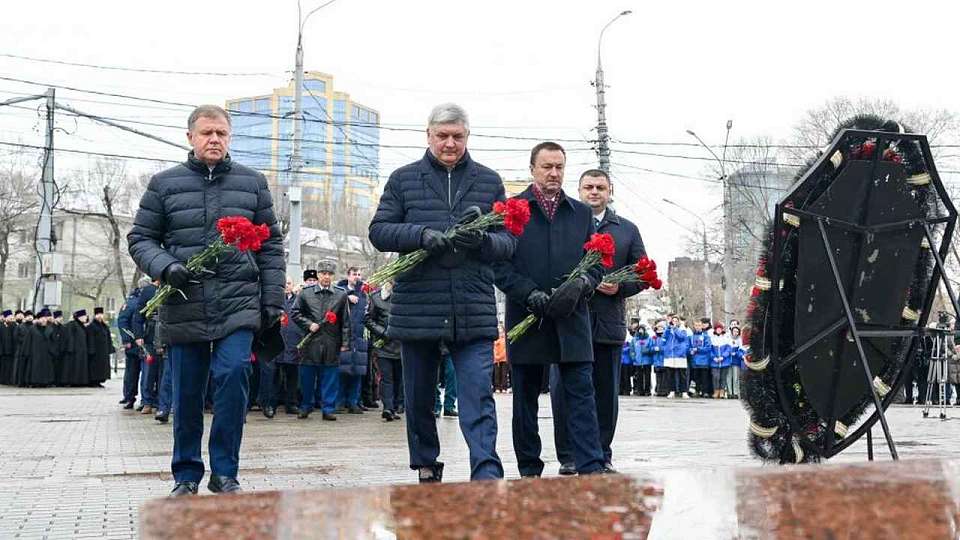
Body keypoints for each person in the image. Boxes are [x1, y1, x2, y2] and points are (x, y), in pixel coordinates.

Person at [127, 104, 285, 497]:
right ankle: (186, 474)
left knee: (233, 375)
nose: (214, 139)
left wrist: (273, 299)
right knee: (187, 391)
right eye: (206, 133)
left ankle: (225, 472)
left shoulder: (252, 183)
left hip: (238, 301)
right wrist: (166, 267)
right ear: (191, 137)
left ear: (229, 137)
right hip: (184, 301)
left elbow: (270, 245)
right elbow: (141, 238)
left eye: (221, 133)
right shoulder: (164, 184)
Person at [369, 103, 514, 483]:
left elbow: (508, 242)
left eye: (457, 136)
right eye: (442, 136)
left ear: (468, 137)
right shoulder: (403, 179)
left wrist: (482, 241)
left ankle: (486, 470)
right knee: (418, 396)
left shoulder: (488, 181)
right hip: (418, 305)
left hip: (472, 305)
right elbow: (379, 231)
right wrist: (420, 235)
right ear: (428, 136)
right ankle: (426, 463)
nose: (450, 143)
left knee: (478, 394)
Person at [495, 141, 609, 477]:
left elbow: (597, 263)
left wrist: (582, 284)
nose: (554, 173)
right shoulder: (513, 209)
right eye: (547, 167)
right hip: (527, 317)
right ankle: (529, 467)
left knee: (582, 395)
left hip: (572, 318)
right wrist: (528, 293)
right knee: (525, 398)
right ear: (532, 169)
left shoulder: (581, 213)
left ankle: (590, 464)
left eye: (559, 167)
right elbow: (499, 266)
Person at [551, 168, 647, 472]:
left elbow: (643, 273)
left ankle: (602, 454)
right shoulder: (562, 223)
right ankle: (568, 456)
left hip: (607, 323)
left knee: (605, 394)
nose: (594, 192)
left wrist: (621, 287)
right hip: (567, 322)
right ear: (579, 191)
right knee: (563, 392)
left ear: (610, 191)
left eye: (600, 187)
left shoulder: (627, 230)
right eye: (588, 187)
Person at [291, 260, 350, 420]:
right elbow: (295, 313)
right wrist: (308, 324)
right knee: (307, 376)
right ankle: (306, 406)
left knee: (330, 376)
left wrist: (345, 343)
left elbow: (345, 321)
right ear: (318, 274)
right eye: (323, 273)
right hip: (311, 341)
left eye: (330, 274)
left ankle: (328, 408)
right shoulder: (306, 293)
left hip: (331, 340)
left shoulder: (341, 294)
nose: (326, 277)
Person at [365, 280, 404, 421]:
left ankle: (395, 406)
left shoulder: (405, 296)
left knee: (399, 378)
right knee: (387, 378)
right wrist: (383, 332)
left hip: (401, 345)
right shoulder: (376, 298)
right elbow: (368, 319)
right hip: (383, 345)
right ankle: (388, 407)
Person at [336, 266, 369, 414]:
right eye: (354, 274)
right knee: (342, 371)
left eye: (359, 274)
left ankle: (353, 402)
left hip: (359, 338)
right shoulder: (340, 292)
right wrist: (346, 298)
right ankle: (339, 402)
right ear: (348, 276)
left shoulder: (364, 294)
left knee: (357, 372)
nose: (357, 277)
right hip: (344, 337)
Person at [276, 276, 306, 415]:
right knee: (275, 376)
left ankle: (291, 403)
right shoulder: (276, 300)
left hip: (294, 342)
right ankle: (272, 402)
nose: (286, 286)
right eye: (284, 283)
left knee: (292, 376)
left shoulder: (298, 300)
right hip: (277, 343)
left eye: (288, 283)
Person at [133, 279, 160, 414]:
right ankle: (147, 401)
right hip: (150, 336)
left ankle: (161, 402)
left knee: (163, 373)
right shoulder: (148, 291)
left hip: (166, 336)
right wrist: (138, 336)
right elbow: (138, 316)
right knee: (149, 372)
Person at [117, 285, 144, 409]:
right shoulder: (132, 302)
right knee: (132, 371)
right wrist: (127, 339)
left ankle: (133, 397)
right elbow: (122, 321)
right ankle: (129, 396)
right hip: (134, 342)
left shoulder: (135, 301)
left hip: (142, 341)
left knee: (137, 372)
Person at [60, 309, 91, 387]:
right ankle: (73, 381)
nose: (85, 318)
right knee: (74, 367)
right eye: (84, 316)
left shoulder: (82, 326)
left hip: (81, 350)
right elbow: (70, 337)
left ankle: (80, 381)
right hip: (75, 350)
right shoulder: (72, 325)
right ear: (79, 317)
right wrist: (70, 348)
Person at [662, 315, 690, 398]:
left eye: (676, 321)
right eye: (673, 321)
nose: (674, 322)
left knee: (682, 374)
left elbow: (681, 337)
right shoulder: (669, 329)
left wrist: (675, 329)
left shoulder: (682, 329)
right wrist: (668, 328)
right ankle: (672, 391)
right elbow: (664, 337)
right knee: (670, 374)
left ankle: (684, 391)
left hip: (679, 354)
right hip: (670, 354)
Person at [87, 307, 114, 387]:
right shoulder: (92, 326)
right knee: (95, 367)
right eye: (98, 314)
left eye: (101, 314)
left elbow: (108, 338)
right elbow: (90, 338)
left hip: (103, 350)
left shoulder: (104, 326)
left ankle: (99, 380)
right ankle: (94, 381)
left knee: (102, 367)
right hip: (96, 351)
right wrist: (91, 350)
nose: (100, 316)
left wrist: (110, 348)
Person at [689, 318, 714, 398]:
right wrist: (690, 351)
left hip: (704, 361)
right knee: (696, 377)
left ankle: (705, 392)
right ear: (694, 326)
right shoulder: (691, 337)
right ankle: (697, 391)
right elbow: (688, 347)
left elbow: (708, 348)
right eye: (696, 325)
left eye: (699, 325)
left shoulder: (706, 336)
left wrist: (698, 349)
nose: (698, 327)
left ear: (702, 326)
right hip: (694, 361)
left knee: (704, 378)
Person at [710, 323, 732, 399]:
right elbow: (710, 350)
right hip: (714, 362)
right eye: (717, 329)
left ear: (722, 329)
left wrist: (723, 357)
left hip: (724, 361)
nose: (719, 330)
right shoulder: (712, 338)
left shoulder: (726, 337)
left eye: (720, 329)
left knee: (723, 377)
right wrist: (714, 357)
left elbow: (729, 349)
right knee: (715, 377)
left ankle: (722, 391)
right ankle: (716, 391)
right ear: (715, 330)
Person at [0, 310, 15, 385]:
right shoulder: (1, 326)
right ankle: (2, 379)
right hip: (2, 350)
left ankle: (8, 380)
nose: (10, 318)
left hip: (11, 350)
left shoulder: (13, 326)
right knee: (3, 366)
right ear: (5, 318)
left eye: (11, 317)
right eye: (9, 317)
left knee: (10, 366)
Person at [493, 325, 509, 392]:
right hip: (496, 359)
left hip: (504, 358)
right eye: (499, 332)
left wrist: (500, 356)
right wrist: (496, 356)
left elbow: (505, 350)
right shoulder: (495, 340)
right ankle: (497, 387)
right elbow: (494, 349)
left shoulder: (505, 340)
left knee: (504, 373)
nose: (500, 333)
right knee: (497, 374)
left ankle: (504, 387)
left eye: (502, 331)